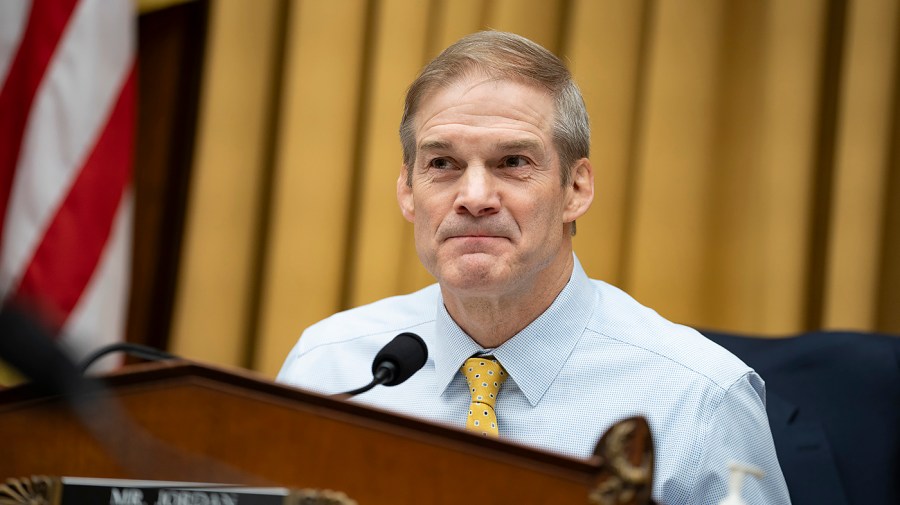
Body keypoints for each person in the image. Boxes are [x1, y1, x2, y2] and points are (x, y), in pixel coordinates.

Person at [278, 31, 790, 504]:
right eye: (442, 164)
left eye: (513, 162)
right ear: (408, 191)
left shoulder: (698, 395)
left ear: (576, 188)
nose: (474, 198)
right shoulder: (328, 370)